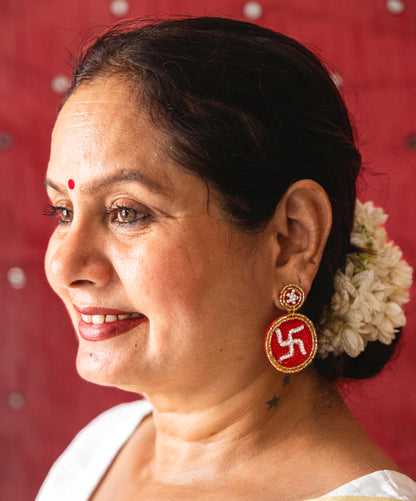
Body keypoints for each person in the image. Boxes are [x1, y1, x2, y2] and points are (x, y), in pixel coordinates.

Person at [37, 17, 415, 500]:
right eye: (62, 211)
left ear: (291, 239)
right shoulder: (101, 449)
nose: (65, 267)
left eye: (126, 212)